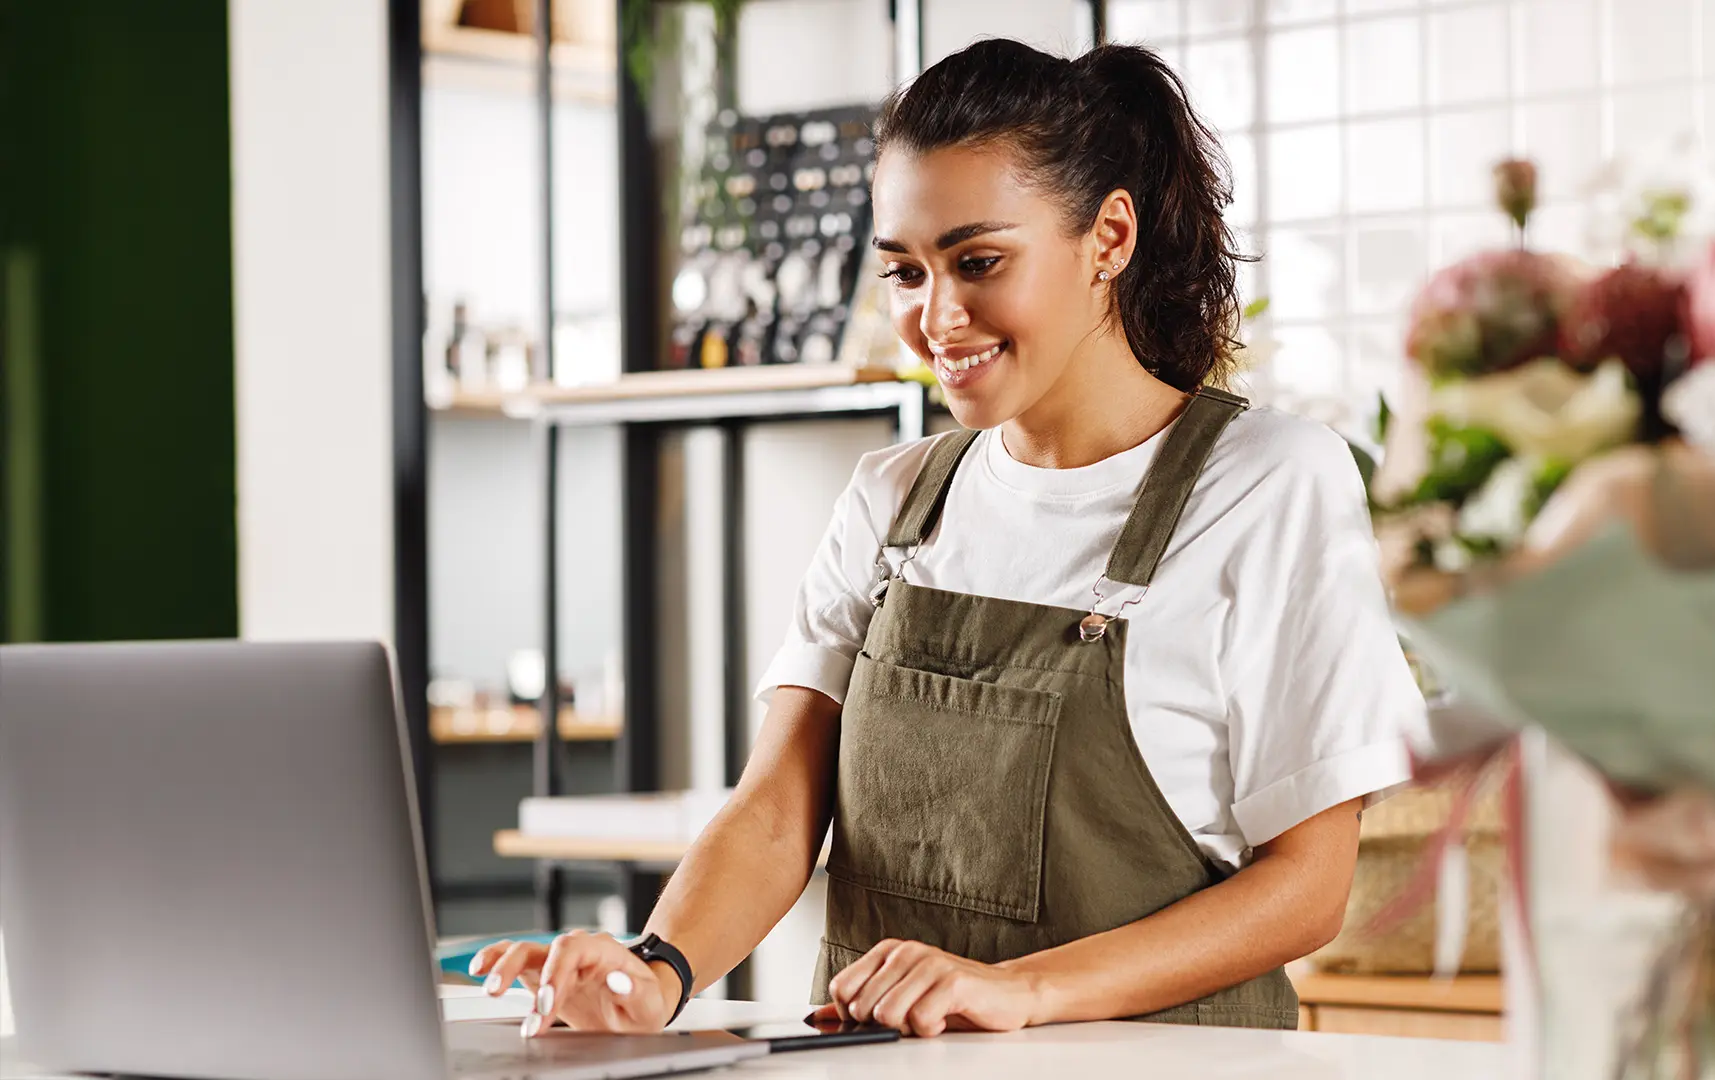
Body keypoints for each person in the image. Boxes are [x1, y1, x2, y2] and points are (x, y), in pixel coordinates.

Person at [469, 37, 1426, 1040]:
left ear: (1108, 237)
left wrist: (1023, 989)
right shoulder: (893, 498)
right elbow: (776, 811)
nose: (937, 318)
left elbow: (1308, 887)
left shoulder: (1268, 482)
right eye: (904, 271)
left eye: (978, 263)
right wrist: (655, 971)